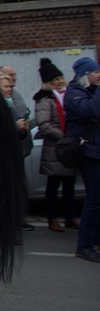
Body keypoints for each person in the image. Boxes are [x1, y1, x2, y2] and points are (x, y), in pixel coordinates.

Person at [33, 58, 79, 232]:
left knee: (70, 185)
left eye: (60, 78)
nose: (59, 81)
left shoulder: (69, 95)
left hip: (69, 148)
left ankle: (70, 217)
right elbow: (44, 125)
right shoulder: (45, 99)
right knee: (53, 186)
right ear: (49, 83)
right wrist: (64, 137)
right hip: (56, 149)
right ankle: (52, 218)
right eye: (55, 79)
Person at [63, 57, 100, 263]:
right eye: (95, 72)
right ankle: (84, 245)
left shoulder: (92, 92)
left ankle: (95, 239)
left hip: (97, 150)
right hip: (89, 152)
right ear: (84, 75)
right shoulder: (75, 93)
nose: (98, 75)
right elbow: (92, 111)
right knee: (94, 200)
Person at [0, 71, 34, 231]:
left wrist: (22, 131)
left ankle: (15, 221)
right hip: (1, 157)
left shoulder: (9, 104)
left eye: (11, 86)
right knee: (3, 193)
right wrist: (16, 128)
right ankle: (4, 227)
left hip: (13, 154)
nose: (10, 89)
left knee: (14, 191)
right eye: (6, 86)